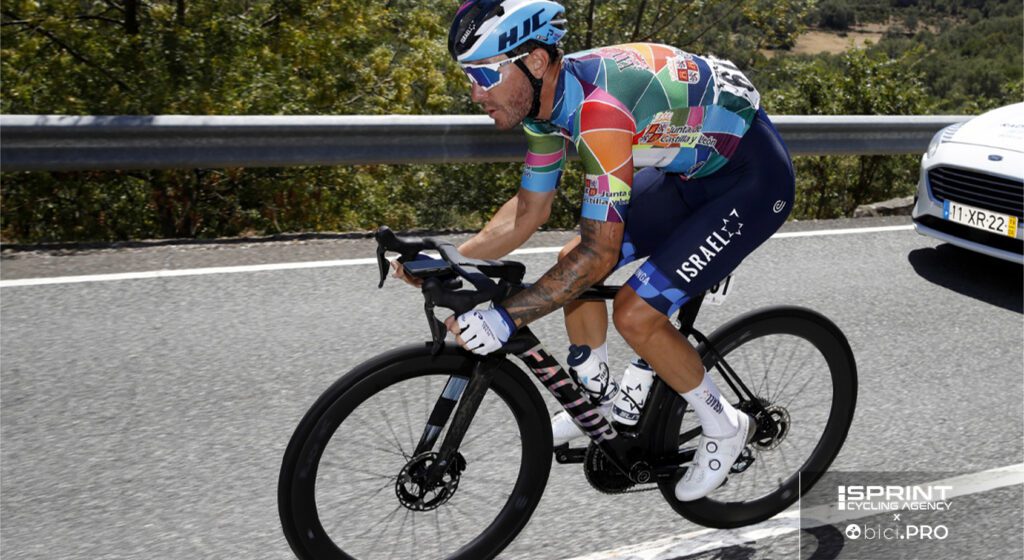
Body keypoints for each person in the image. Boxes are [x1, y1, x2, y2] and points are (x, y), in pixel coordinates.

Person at [394, 0, 795, 502]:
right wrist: (455, 258)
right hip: (689, 174)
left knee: (635, 311)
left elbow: (600, 255)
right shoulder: (544, 108)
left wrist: (505, 318)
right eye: (468, 76)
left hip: (751, 183)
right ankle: (599, 400)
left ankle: (725, 426)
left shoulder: (597, 115)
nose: (475, 91)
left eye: (484, 74)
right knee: (570, 258)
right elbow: (527, 212)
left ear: (534, 61)